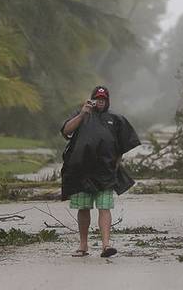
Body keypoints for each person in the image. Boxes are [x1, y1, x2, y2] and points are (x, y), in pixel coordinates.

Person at [59, 85, 141, 257]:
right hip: (81, 172)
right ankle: (83, 245)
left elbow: (124, 144)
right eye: (97, 99)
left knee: (104, 208)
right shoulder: (82, 115)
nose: (100, 102)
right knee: (83, 208)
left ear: (108, 100)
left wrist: (116, 163)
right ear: (92, 99)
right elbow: (66, 130)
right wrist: (82, 114)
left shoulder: (115, 119)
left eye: (103, 99)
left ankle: (106, 245)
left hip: (105, 173)